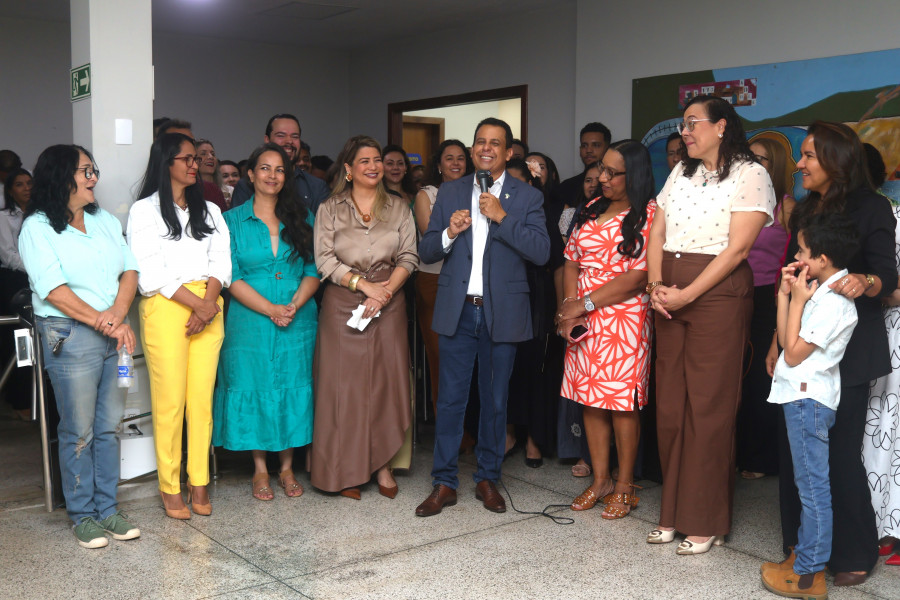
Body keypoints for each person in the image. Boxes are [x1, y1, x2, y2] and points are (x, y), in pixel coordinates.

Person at [768, 121, 896, 585]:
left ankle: (854, 552)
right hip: (799, 345)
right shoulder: (805, 209)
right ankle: (801, 549)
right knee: (796, 454)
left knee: (840, 455)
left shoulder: (872, 206)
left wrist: (866, 281)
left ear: (836, 160)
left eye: (808, 155)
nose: (800, 164)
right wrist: (776, 342)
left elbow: (888, 277)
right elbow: (791, 274)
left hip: (850, 349)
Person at [646, 95, 775, 554]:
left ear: (721, 126)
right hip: (669, 290)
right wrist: (656, 284)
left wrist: (687, 294)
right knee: (670, 407)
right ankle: (672, 513)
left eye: (692, 123)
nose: (685, 132)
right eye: (682, 125)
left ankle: (705, 520)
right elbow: (657, 233)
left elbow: (738, 249)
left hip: (717, 293)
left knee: (709, 407)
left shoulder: (750, 173)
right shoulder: (681, 172)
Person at [415, 117, 550, 517]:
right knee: (450, 399)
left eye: (495, 143)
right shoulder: (451, 190)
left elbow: (541, 252)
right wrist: (449, 232)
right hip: (458, 310)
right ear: (473, 149)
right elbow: (427, 250)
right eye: (480, 142)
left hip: (501, 312)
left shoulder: (527, 197)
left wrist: (502, 217)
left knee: (495, 400)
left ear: (508, 152)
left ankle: (488, 478)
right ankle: (444, 482)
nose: (486, 148)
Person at [18, 144, 140, 548]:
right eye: (86, 171)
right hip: (70, 335)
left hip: (112, 331)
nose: (94, 178)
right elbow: (52, 289)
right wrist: (105, 321)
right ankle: (83, 514)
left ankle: (108, 509)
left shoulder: (103, 219)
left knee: (108, 427)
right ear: (61, 175)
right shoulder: (37, 227)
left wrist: (117, 315)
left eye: (94, 170)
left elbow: (129, 269)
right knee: (79, 430)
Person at [127, 132, 231, 520]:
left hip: (209, 302)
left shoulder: (211, 210)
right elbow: (150, 271)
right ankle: (170, 486)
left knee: (201, 401)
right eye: (186, 158)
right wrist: (199, 306)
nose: (194, 164)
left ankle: (198, 481)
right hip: (167, 304)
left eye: (195, 159)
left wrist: (208, 304)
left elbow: (222, 262)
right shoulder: (144, 211)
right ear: (165, 162)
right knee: (170, 402)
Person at [311, 135, 418, 499]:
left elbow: (409, 256)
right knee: (345, 389)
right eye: (365, 161)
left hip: (390, 302)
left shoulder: (399, 207)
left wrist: (384, 292)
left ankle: (382, 465)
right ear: (348, 169)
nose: (374, 167)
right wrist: (363, 286)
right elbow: (324, 259)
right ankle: (346, 469)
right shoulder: (330, 208)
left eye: (377, 160)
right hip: (343, 303)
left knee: (386, 383)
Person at [760, 213, 859, 600]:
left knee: (813, 489)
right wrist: (787, 297)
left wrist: (798, 300)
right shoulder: (818, 292)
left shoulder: (834, 303)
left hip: (808, 400)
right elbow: (787, 342)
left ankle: (809, 575)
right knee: (808, 486)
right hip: (800, 396)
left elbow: (794, 354)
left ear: (822, 258)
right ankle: (802, 560)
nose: (796, 257)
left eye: (801, 251)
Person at [213, 143, 319, 501]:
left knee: (291, 382)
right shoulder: (230, 221)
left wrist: (292, 304)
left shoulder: (303, 217)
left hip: (297, 317)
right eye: (265, 168)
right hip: (250, 320)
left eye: (279, 169)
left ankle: (287, 467)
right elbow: (231, 275)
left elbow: (314, 270)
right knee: (253, 382)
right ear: (251, 174)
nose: (272, 175)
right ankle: (259, 468)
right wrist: (271, 309)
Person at [557, 140, 656, 517]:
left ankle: (625, 485)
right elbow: (571, 261)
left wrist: (584, 304)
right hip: (583, 320)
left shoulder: (648, 213)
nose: (603, 177)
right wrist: (571, 307)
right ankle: (601, 480)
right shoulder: (591, 207)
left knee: (621, 405)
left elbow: (638, 276)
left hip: (623, 319)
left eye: (613, 172)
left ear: (635, 175)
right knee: (590, 400)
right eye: (602, 169)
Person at [737, 136, 796, 480]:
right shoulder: (739, 199)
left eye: (761, 159)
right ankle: (737, 452)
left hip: (768, 298)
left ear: (775, 165)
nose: (753, 163)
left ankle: (760, 458)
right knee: (736, 375)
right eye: (749, 157)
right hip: (735, 293)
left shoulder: (786, 207)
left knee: (762, 375)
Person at [861, 143, 900, 565]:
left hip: (891, 318)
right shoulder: (883, 212)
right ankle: (880, 525)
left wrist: (880, 289)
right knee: (878, 428)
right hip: (883, 329)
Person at [413, 139, 471, 411]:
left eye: (461, 158)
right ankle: (446, 424)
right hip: (434, 280)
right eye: (449, 158)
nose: (456, 163)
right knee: (441, 355)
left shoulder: (476, 192)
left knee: (465, 357)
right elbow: (431, 239)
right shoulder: (427, 195)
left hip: (468, 282)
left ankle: (468, 423)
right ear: (438, 165)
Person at [231, 114, 329, 213]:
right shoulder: (246, 185)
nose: (289, 141)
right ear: (267, 140)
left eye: (295, 136)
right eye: (281, 135)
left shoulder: (317, 186)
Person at [0, 169, 33, 418]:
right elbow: (8, 255)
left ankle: (39, 399)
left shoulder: (42, 214)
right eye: (19, 184)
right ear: (10, 191)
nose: (26, 188)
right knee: (20, 340)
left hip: (38, 279)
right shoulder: (4, 218)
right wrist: (37, 268)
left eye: (29, 183)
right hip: (14, 281)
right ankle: (21, 400)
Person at [155, 120, 228, 213]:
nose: (187, 145)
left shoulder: (211, 200)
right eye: (178, 140)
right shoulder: (145, 207)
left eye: (191, 141)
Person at [552, 122, 611, 209]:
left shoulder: (615, 183)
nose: (589, 150)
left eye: (596, 145)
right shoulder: (566, 187)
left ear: (608, 149)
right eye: (584, 145)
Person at [196, 139, 232, 208]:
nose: (210, 157)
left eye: (213, 154)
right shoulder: (188, 191)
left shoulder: (229, 191)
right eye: (203, 154)